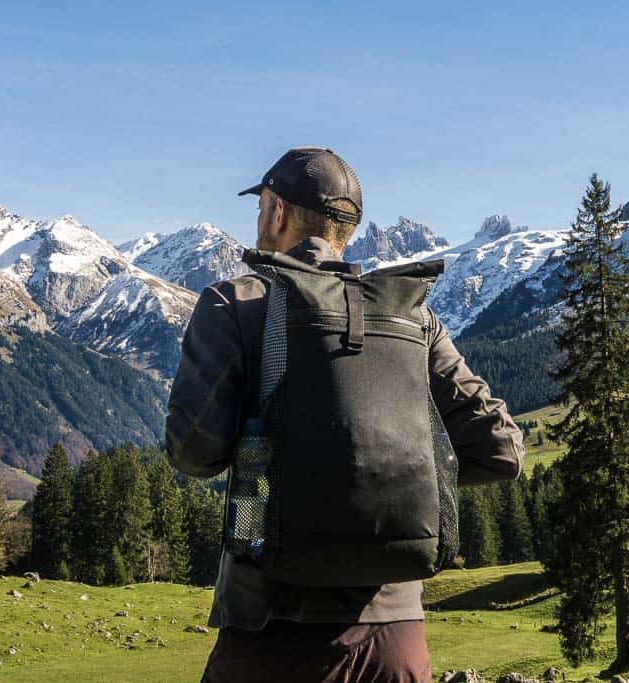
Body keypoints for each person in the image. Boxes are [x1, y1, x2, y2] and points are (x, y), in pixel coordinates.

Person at [165, 147, 525, 682]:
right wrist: (405, 468)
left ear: (278, 212)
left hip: (270, 630)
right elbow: (502, 452)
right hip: (396, 640)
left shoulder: (235, 303)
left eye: (261, 203)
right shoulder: (411, 315)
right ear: (347, 229)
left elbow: (194, 453)